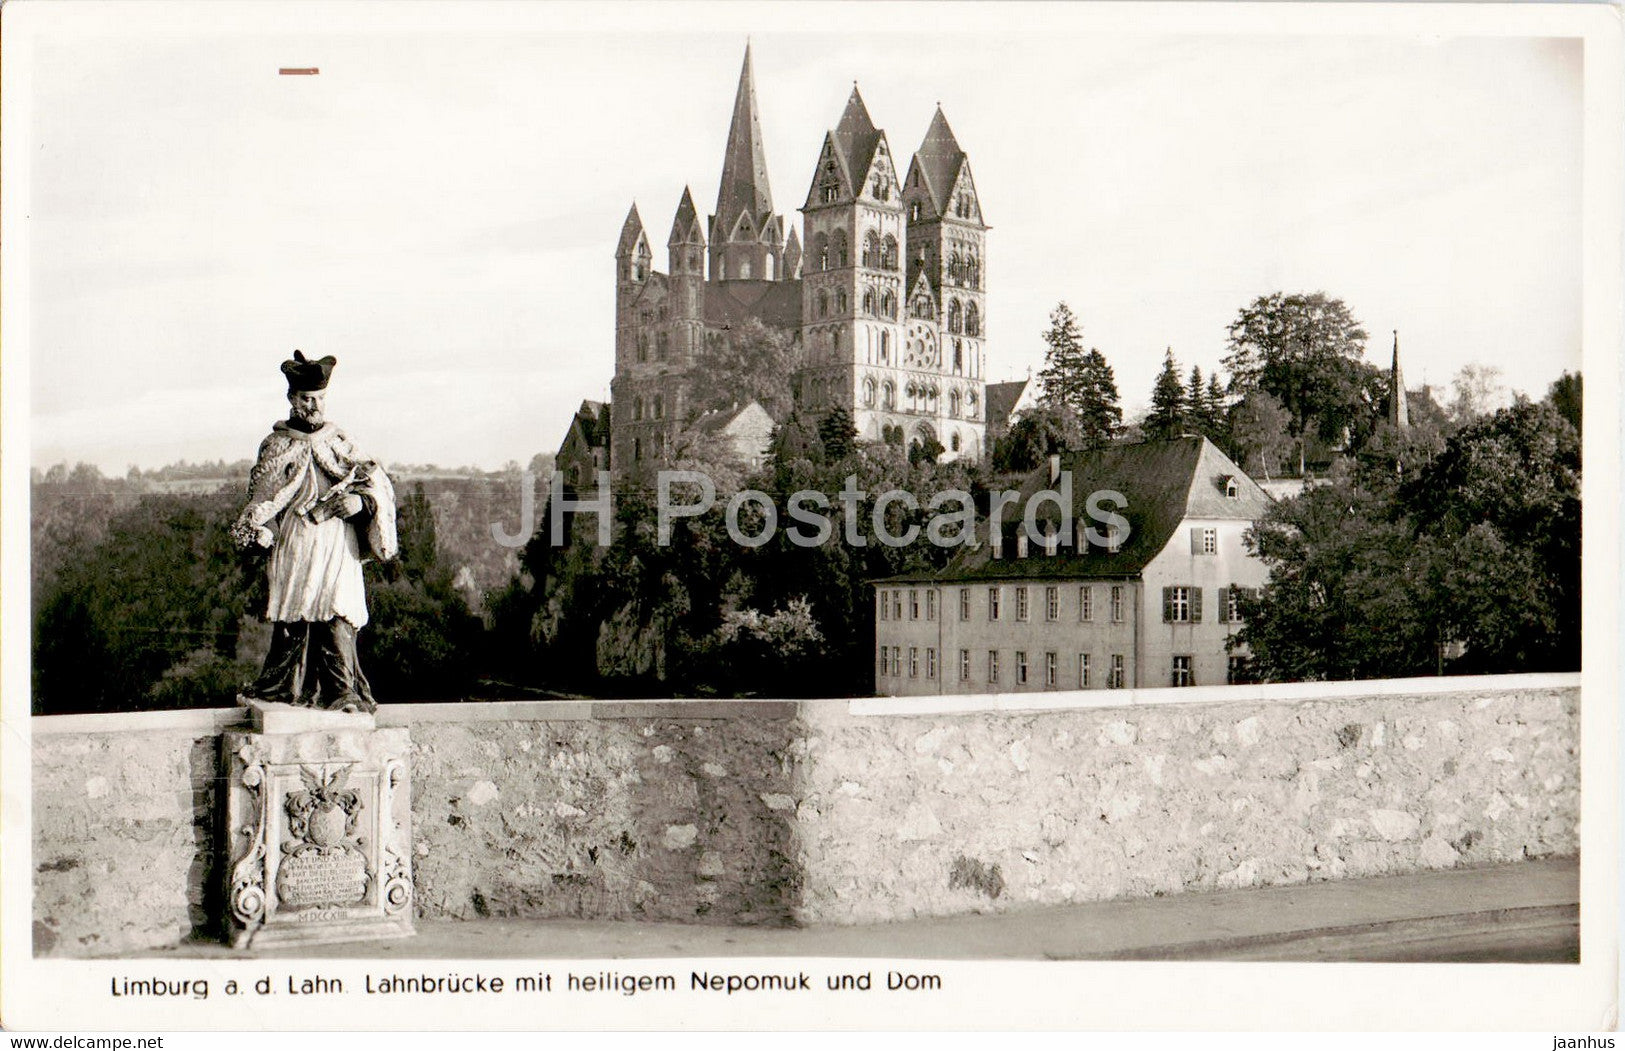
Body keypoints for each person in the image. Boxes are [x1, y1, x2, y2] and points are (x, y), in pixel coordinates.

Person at [232, 351, 397, 712]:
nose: (314, 405)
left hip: (338, 544)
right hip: (296, 541)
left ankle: (342, 693)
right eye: (307, 398)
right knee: (295, 614)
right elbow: (264, 499)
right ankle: (283, 689)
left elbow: (375, 484)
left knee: (338, 611)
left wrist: (360, 504)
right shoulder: (277, 445)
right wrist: (263, 530)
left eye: (319, 398)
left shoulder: (340, 442)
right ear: (292, 399)